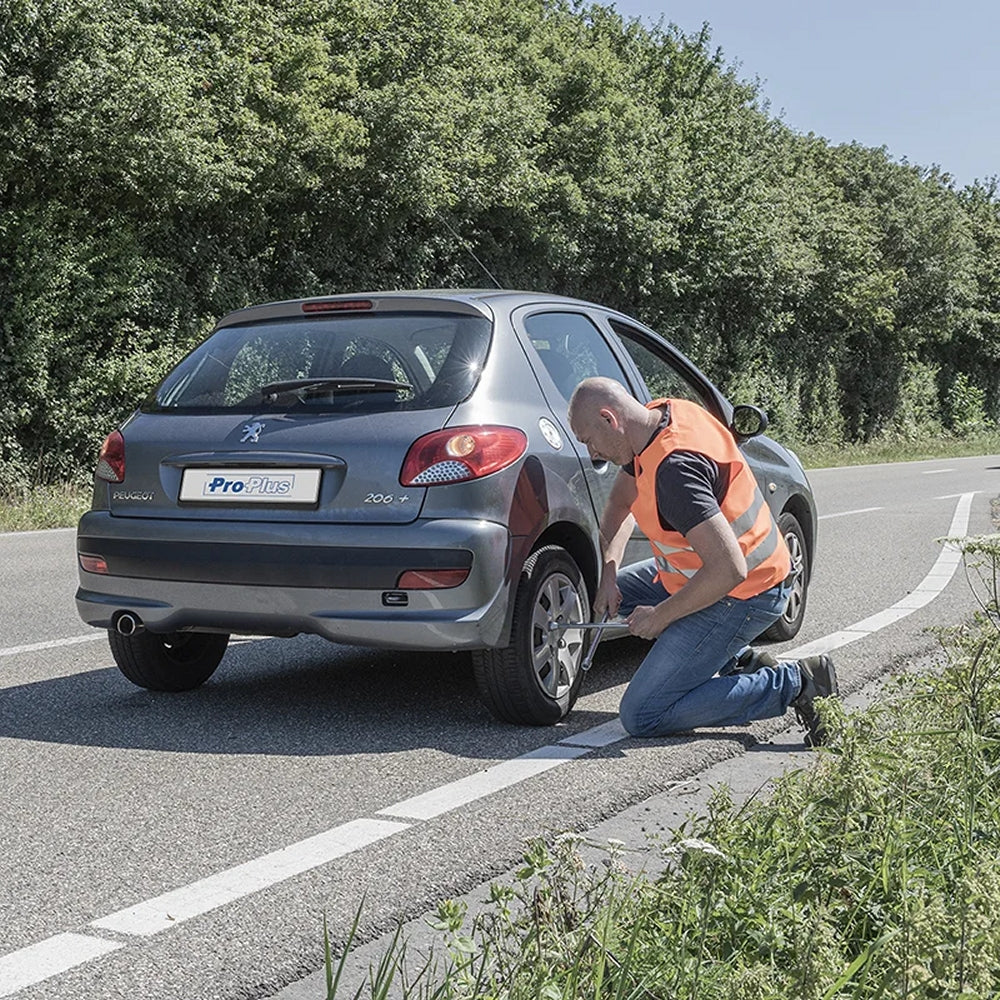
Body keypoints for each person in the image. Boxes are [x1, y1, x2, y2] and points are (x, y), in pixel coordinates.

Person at [567, 377, 839, 747]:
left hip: (747, 591)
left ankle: (798, 683)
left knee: (643, 713)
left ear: (609, 419)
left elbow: (729, 569)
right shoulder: (656, 421)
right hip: (700, 573)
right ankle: (737, 661)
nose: (592, 453)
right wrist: (609, 575)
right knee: (615, 599)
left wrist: (660, 616)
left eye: (588, 440)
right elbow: (618, 507)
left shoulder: (675, 472)